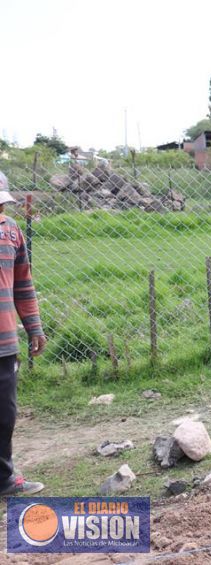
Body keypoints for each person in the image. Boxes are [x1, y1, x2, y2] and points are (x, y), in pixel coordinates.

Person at [0, 170, 48, 495]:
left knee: (5, 414)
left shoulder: (12, 232)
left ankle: (3, 479)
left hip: (4, 343)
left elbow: (24, 284)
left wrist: (34, 328)